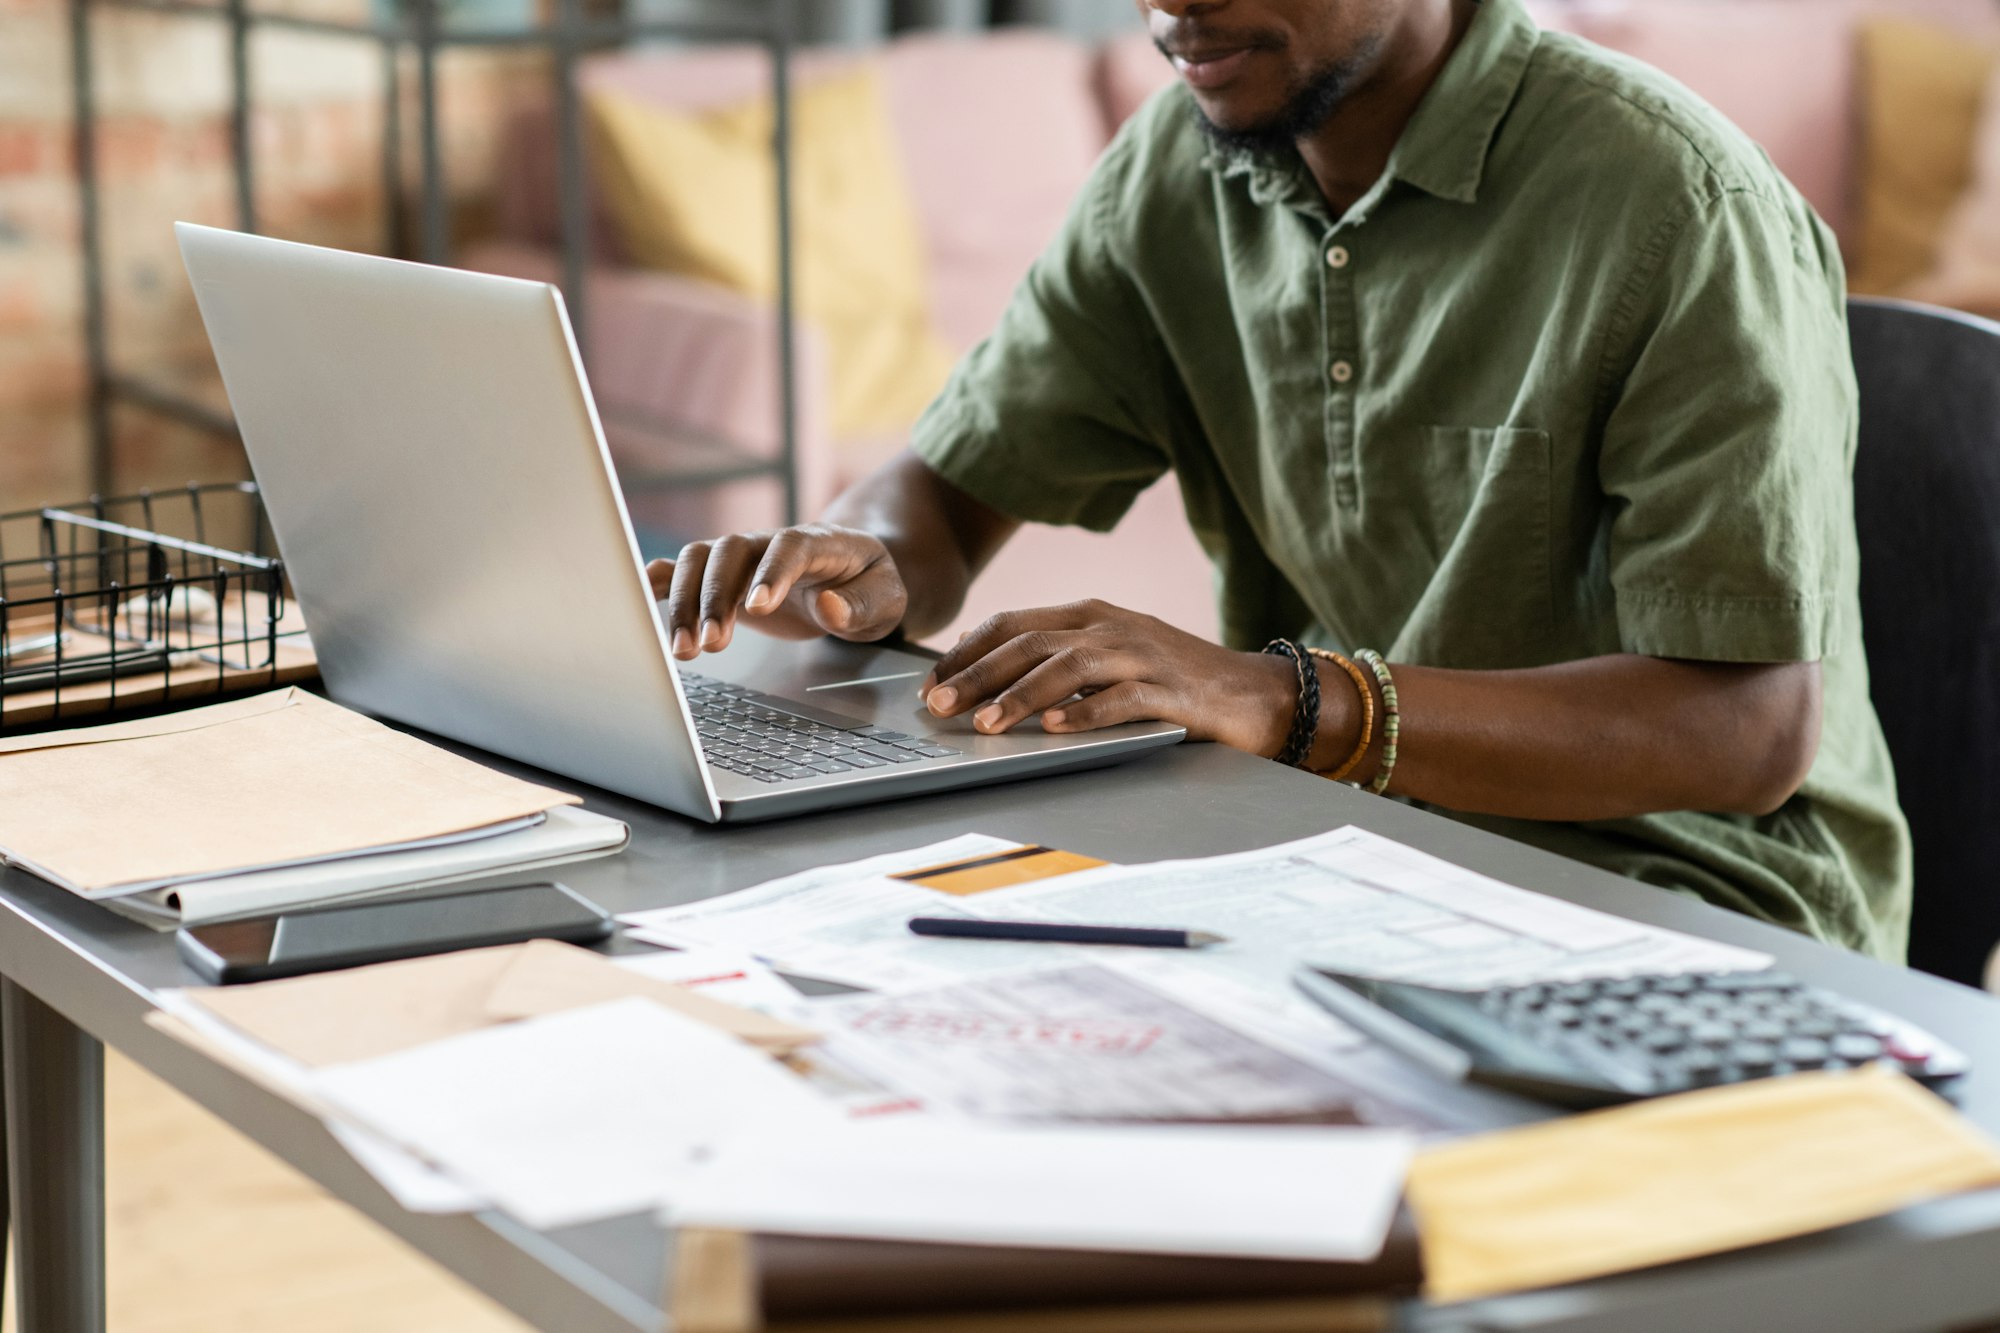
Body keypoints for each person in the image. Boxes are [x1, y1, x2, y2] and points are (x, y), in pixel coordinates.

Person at [648, 0, 1910, 961]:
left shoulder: (1675, 202)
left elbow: (1741, 735)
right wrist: (855, 565)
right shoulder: (1177, 169)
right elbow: (945, 489)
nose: (1169, 6)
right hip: (1336, 855)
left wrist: (1274, 698)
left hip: (1683, 904)